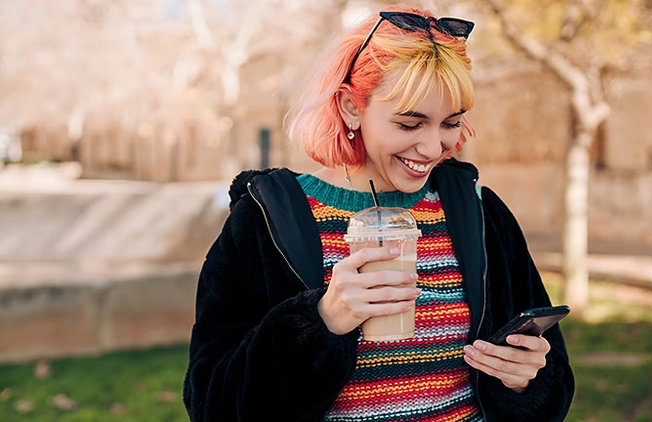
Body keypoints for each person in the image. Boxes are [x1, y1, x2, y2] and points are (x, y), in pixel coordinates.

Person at [183, 5, 574, 421]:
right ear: (352, 107)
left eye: (451, 123)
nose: (433, 147)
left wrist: (524, 380)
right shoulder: (265, 219)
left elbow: (551, 387)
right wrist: (321, 321)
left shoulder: (481, 213)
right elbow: (213, 405)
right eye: (410, 124)